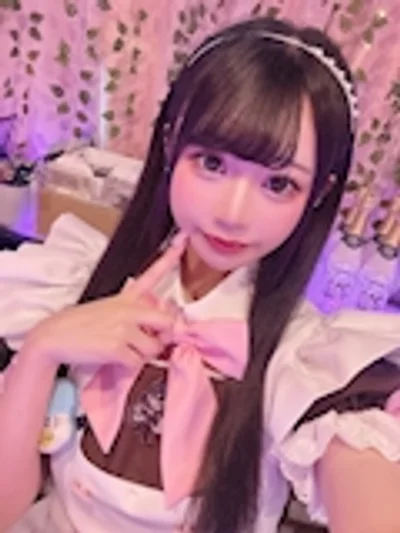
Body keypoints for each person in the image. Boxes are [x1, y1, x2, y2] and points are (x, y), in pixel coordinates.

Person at [0, 15, 400, 533]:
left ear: (318, 194)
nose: (233, 214)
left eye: (278, 184)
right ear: (170, 145)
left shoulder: (307, 363)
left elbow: (365, 477)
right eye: (212, 163)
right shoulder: (77, 281)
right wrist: (44, 348)